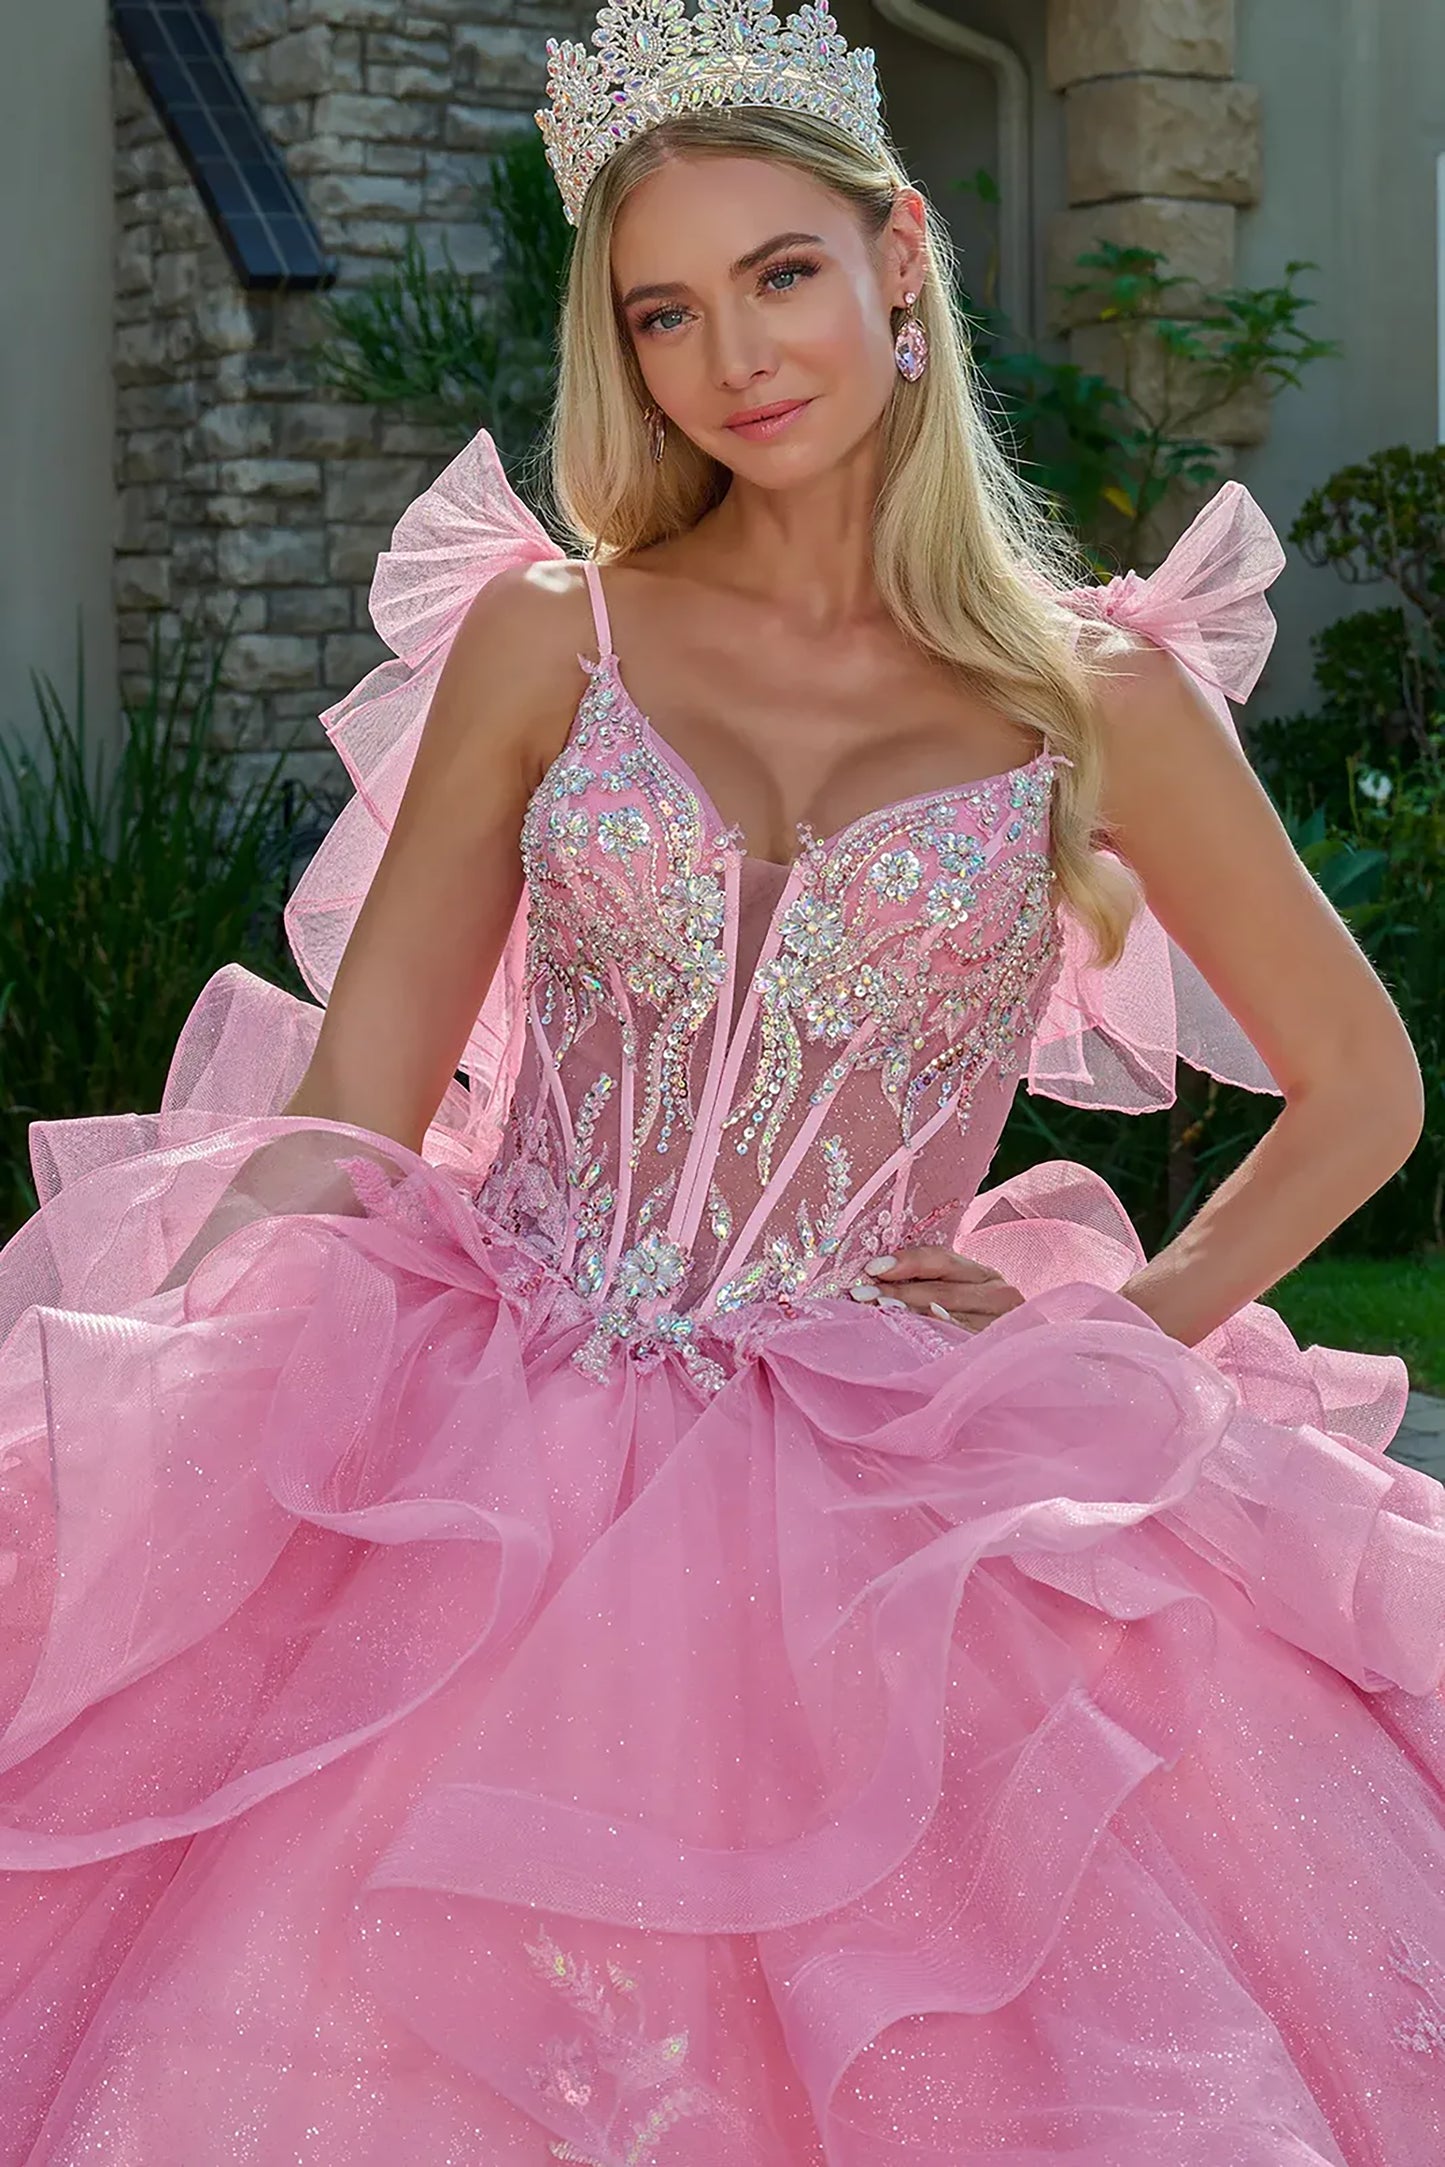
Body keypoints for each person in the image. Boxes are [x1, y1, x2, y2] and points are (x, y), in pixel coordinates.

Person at [1, 4, 1442, 2160]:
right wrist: (145, 1417)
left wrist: (1122, 1328)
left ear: (899, 258)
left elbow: (1362, 1084)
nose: (729, 357)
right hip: (492, 1429)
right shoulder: (546, 636)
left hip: (894, 1463)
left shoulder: (1100, 691)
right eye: (661, 310)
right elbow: (354, 1109)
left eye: (778, 274)